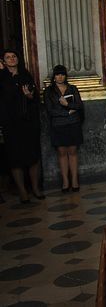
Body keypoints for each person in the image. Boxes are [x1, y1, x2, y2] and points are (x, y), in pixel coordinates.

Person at [0, 50, 45, 203]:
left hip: (28, 123)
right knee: (15, 158)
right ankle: (22, 191)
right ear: (4, 61)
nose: (11, 59)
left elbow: (35, 97)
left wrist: (30, 96)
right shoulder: (2, 78)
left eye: (14, 56)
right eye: (8, 57)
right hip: (11, 124)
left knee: (33, 156)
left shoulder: (26, 75)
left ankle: (35, 188)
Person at [44, 65, 84, 192]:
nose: (60, 77)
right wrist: (67, 112)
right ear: (54, 77)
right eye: (57, 74)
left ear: (65, 76)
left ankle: (74, 180)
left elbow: (79, 105)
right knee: (61, 153)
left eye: (62, 74)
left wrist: (67, 104)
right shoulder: (49, 91)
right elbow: (50, 110)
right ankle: (65, 181)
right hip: (58, 124)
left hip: (73, 123)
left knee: (72, 151)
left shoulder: (72, 88)